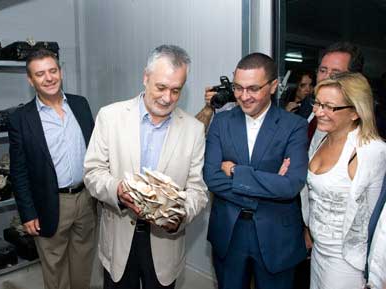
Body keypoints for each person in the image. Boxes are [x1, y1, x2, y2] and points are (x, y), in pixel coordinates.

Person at [83, 44, 208, 289]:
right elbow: (92, 173)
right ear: (145, 77)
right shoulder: (110, 117)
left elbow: (198, 190)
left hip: (165, 247)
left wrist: (180, 217)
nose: (167, 98)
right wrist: (118, 189)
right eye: (161, 87)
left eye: (176, 90)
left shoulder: (194, 129)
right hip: (118, 240)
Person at [204, 52, 308, 289]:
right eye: (238, 88)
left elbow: (291, 185)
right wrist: (270, 184)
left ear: (273, 86)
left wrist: (236, 172)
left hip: (276, 237)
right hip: (229, 235)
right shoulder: (222, 122)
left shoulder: (294, 126)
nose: (244, 96)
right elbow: (211, 177)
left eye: (253, 88)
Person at [8, 49, 97, 289]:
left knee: (83, 261)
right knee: (55, 268)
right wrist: (27, 213)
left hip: (86, 198)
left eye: (53, 71)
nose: (48, 78)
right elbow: (19, 171)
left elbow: (96, 149)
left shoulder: (80, 104)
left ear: (60, 72)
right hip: (50, 201)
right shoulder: (21, 118)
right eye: (40, 74)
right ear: (30, 80)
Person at [300, 72, 386, 289]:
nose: (319, 112)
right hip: (318, 251)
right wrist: (309, 228)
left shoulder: (372, 151)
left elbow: (378, 221)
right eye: (317, 103)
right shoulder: (320, 137)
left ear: (356, 112)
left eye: (330, 107)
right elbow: (311, 192)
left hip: (347, 261)